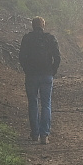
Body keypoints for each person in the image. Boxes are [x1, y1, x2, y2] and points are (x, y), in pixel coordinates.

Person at [18, 16, 61, 144]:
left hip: (31, 75)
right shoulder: (50, 38)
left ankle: (35, 134)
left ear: (32, 25)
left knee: (33, 103)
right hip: (47, 75)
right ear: (43, 25)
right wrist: (52, 71)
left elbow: (21, 57)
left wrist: (26, 69)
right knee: (46, 104)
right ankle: (44, 135)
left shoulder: (27, 38)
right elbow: (57, 57)